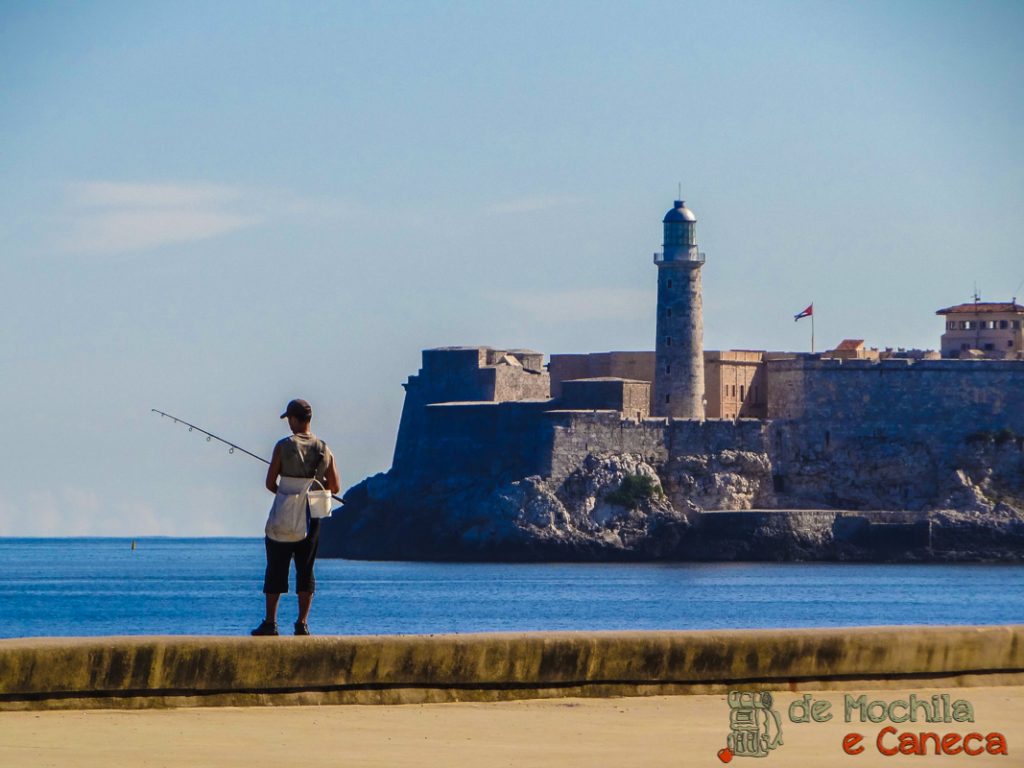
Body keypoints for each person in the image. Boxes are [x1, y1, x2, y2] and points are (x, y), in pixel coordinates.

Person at [251, 398, 340, 636]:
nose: (288, 424)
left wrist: (288, 492)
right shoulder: (324, 448)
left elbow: (270, 482)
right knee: (306, 568)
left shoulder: (283, 446)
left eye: (289, 419)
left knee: (275, 567)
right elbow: (335, 486)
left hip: (284, 512)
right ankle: (302, 623)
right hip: (311, 516)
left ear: (294, 419)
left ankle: (271, 622)